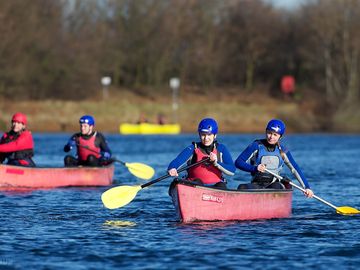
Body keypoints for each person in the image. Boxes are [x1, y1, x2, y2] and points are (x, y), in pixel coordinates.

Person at [235, 119, 314, 197]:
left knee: (277, 187)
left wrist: (307, 187)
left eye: (275, 135)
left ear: (280, 137)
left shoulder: (283, 151)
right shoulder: (256, 146)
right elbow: (238, 162)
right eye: (269, 133)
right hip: (256, 185)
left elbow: (295, 169)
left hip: (274, 185)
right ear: (266, 131)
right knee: (242, 187)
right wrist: (255, 168)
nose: (271, 137)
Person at [167, 118, 235, 189]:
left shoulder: (221, 149)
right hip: (195, 185)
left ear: (215, 135)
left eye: (209, 135)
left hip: (216, 187)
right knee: (197, 182)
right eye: (203, 135)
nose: (206, 138)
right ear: (199, 135)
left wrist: (216, 163)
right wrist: (172, 168)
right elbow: (177, 161)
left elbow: (232, 171)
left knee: (221, 185)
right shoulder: (193, 148)